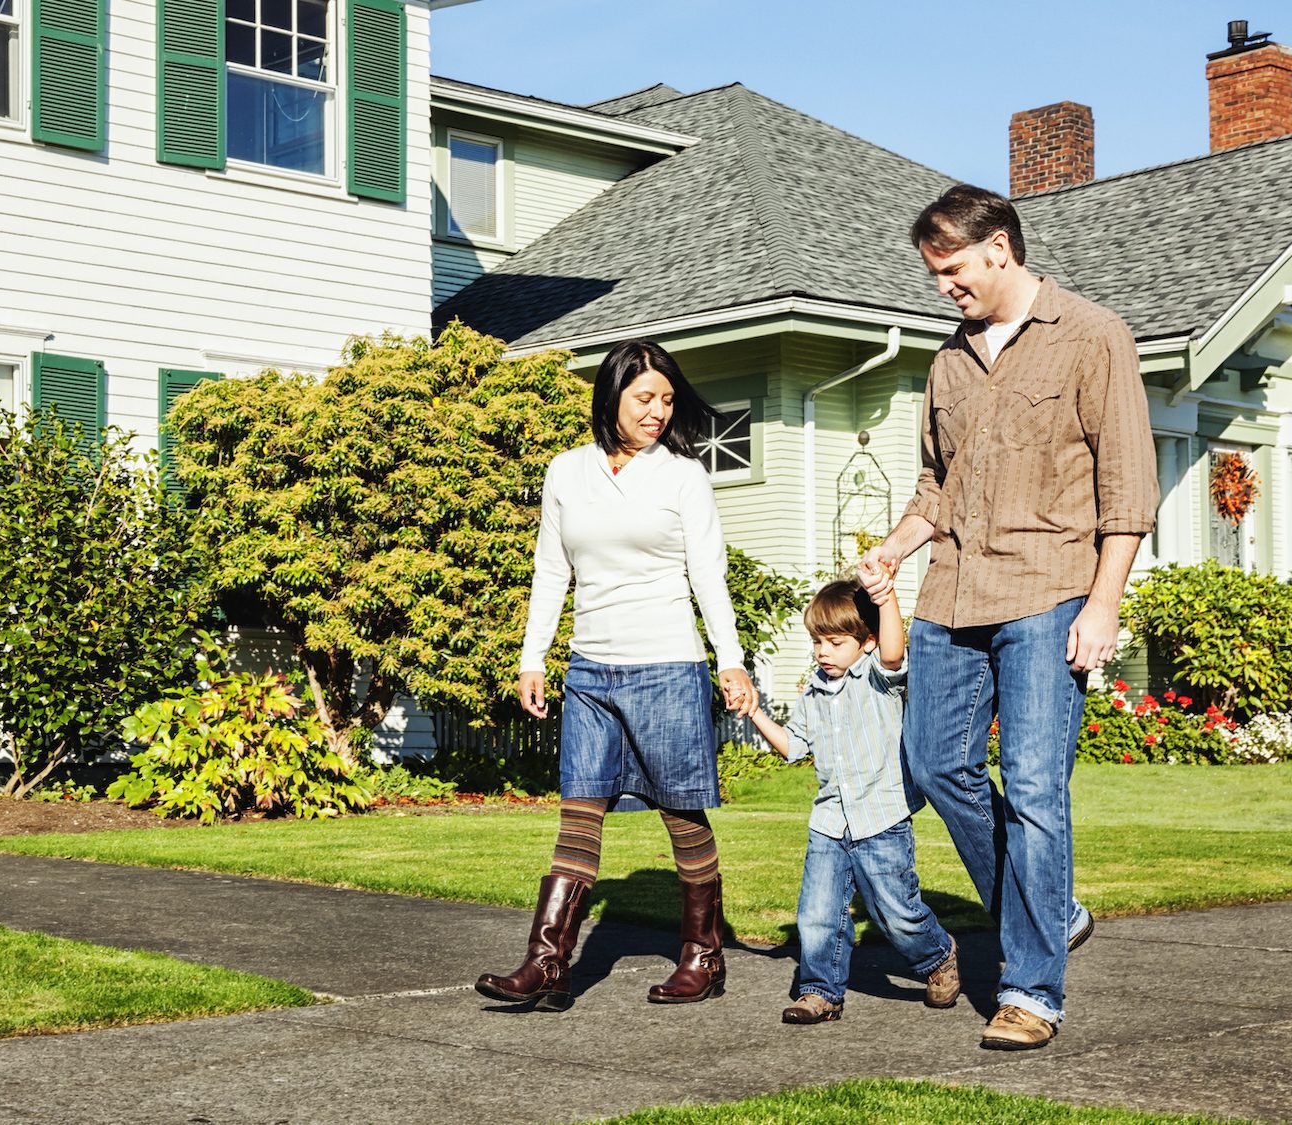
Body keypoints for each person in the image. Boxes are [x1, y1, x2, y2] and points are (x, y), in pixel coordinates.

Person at [859, 185, 1157, 1050]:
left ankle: (1031, 990)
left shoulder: (1094, 337)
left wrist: (1103, 603)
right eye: (933, 274)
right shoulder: (948, 361)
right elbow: (935, 487)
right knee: (932, 760)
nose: (943, 287)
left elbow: (1127, 488)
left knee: (1033, 787)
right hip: (953, 593)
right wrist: (892, 549)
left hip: (1051, 589)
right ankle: (1053, 907)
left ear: (999, 248)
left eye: (951, 271)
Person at [476, 339, 759, 1011]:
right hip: (592, 669)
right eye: (644, 398)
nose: (658, 410)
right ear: (612, 396)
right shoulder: (566, 472)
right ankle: (547, 962)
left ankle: (703, 955)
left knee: (680, 811)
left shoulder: (682, 475)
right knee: (580, 807)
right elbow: (552, 569)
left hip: (667, 662)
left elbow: (707, 574)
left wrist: (731, 657)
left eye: (666, 399)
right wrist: (532, 656)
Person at [747, 576, 960, 1024]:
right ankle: (820, 992)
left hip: (881, 816)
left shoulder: (879, 678)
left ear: (864, 642)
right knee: (817, 914)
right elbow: (793, 747)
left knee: (896, 913)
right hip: (829, 822)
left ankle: (939, 954)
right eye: (817, 642)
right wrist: (754, 712)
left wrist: (885, 599)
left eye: (835, 641)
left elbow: (895, 652)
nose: (823, 651)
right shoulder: (813, 691)